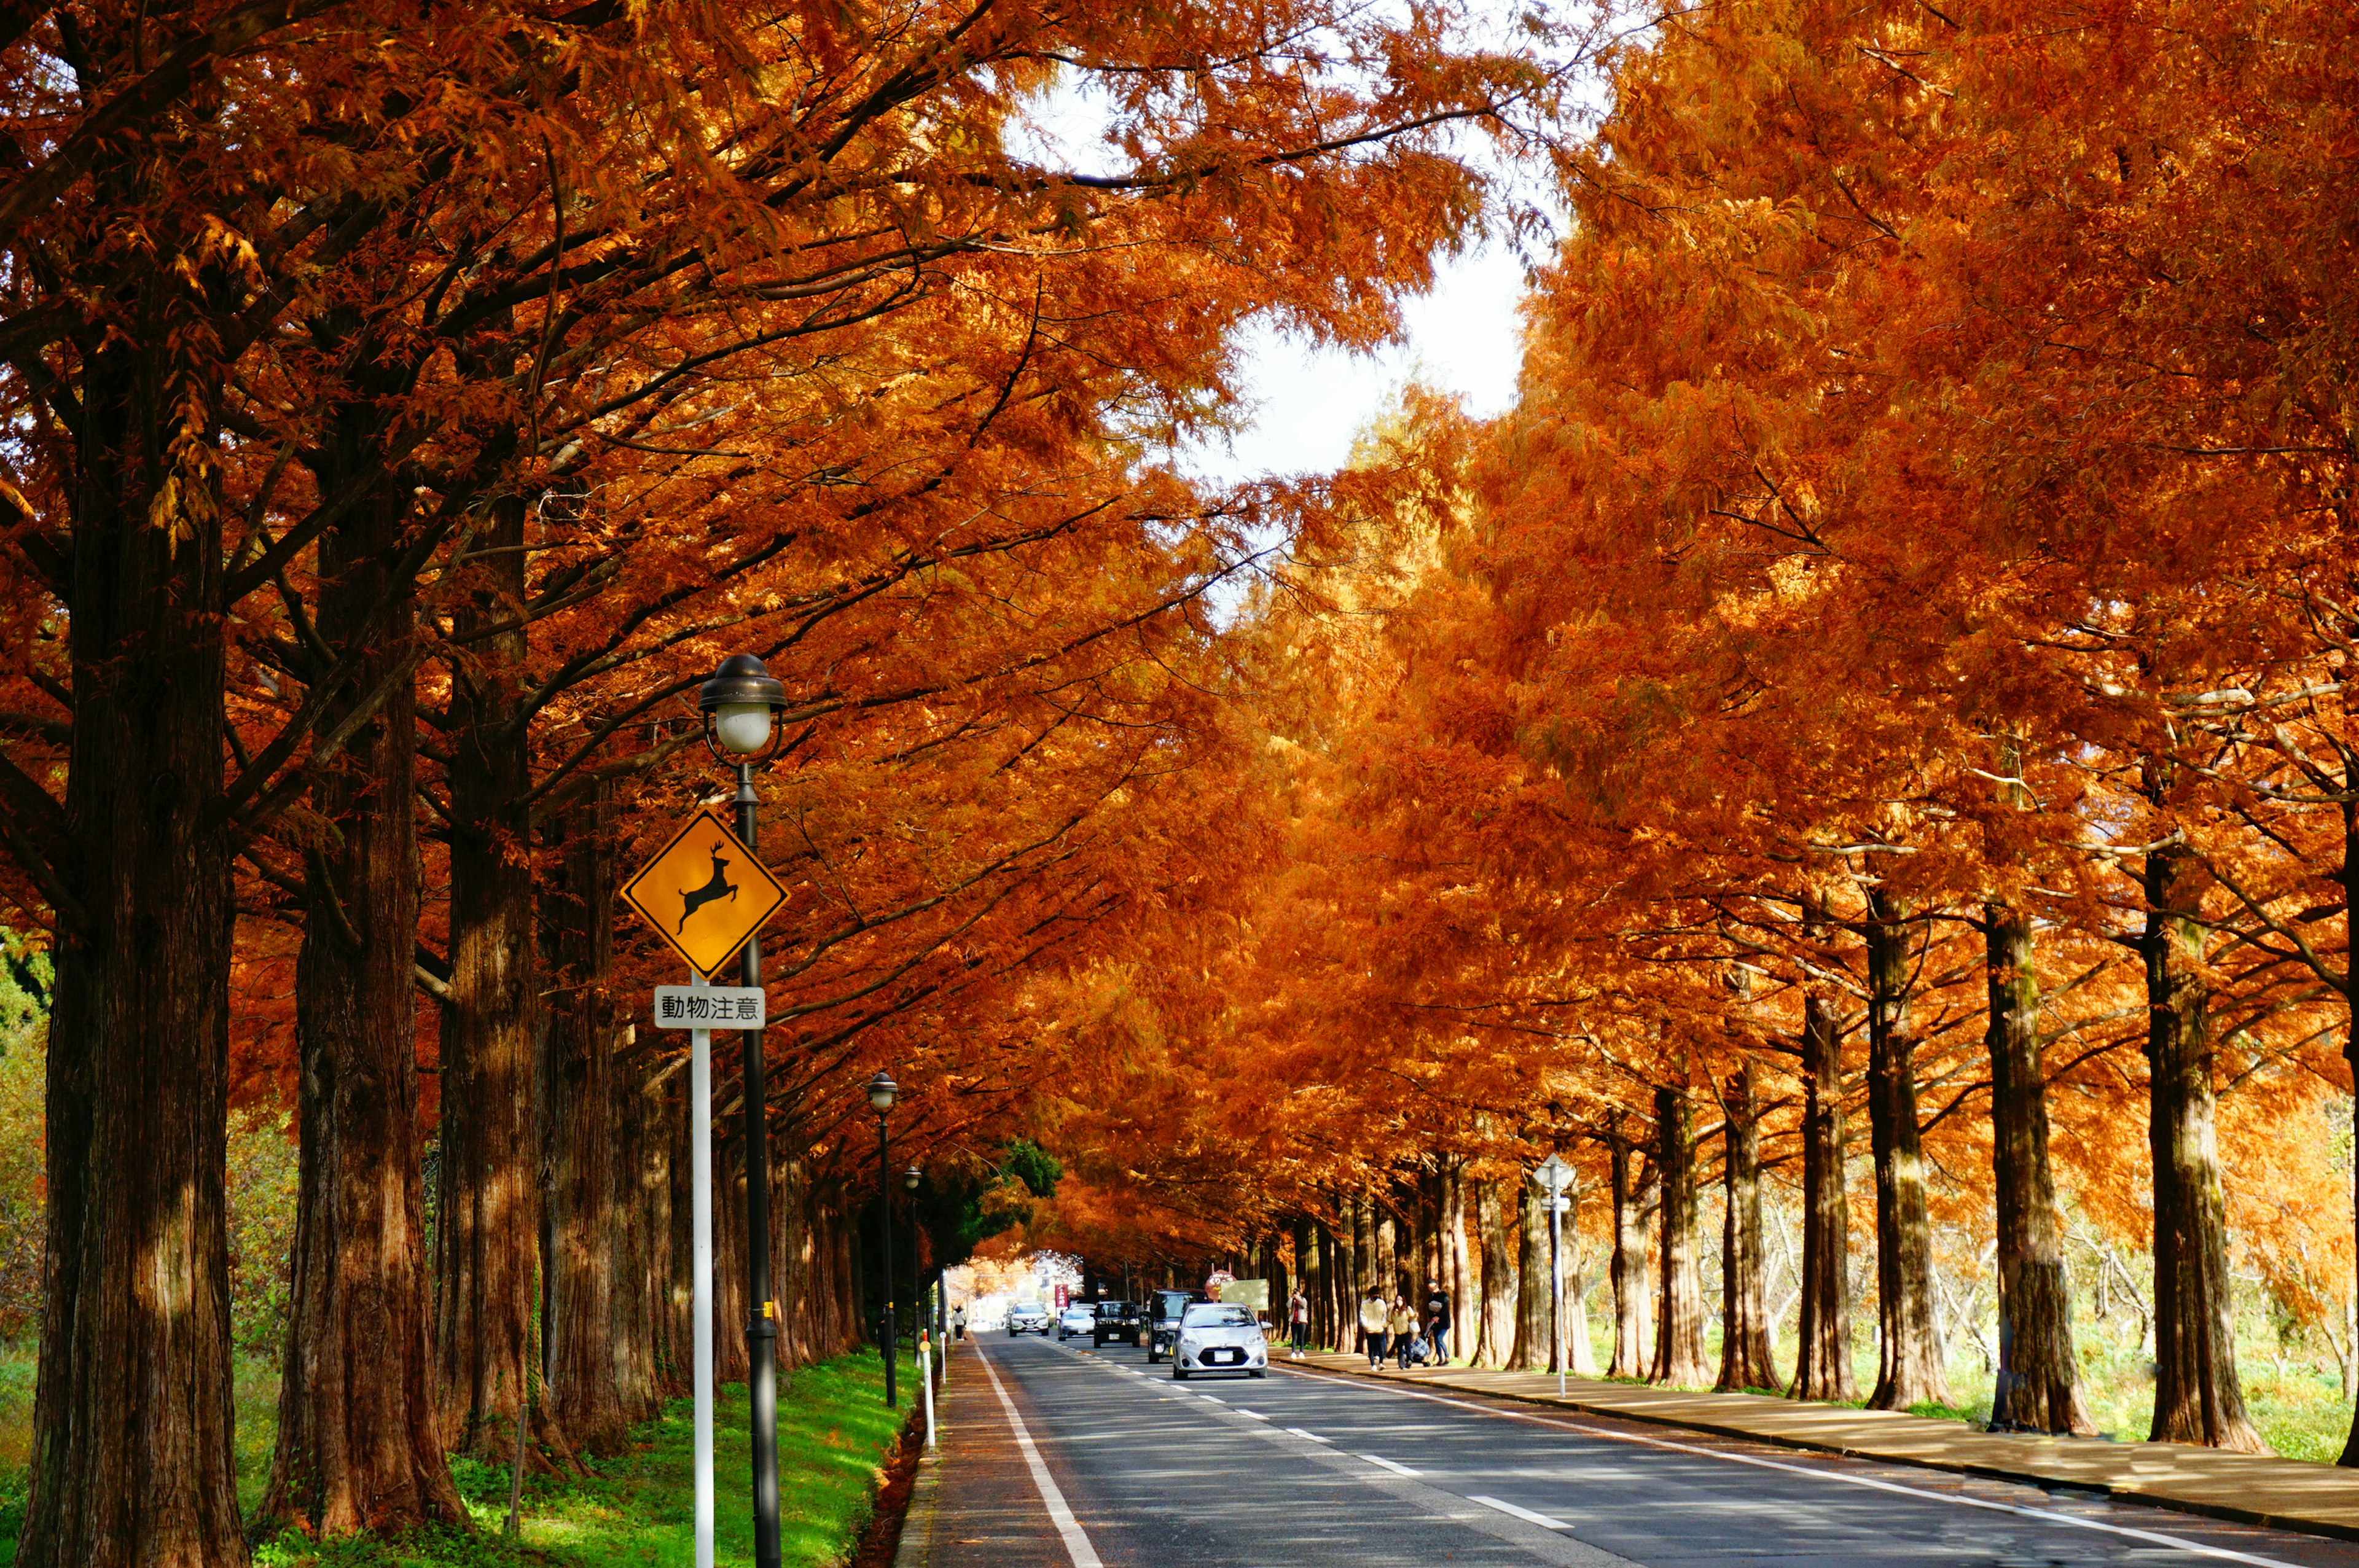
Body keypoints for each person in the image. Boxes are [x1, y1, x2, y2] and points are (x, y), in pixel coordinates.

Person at [1359, 1286, 1390, 1369]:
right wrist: (1366, 1325)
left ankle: (1381, 1363)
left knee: (1381, 1347)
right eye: (1374, 1295)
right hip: (1369, 1329)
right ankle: (1373, 1364)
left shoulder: (1381, 1303)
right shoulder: (1364, 1304)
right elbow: (1363, 1315)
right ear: (1370, 1295)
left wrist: (1383, 1324)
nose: (1376, 1297)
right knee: (1371, 1347)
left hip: (1379, 1328)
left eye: (1377, 1295)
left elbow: (1385, 1314)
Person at [1423, 1280, 1451, 1365]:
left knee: (1439, 1338)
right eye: (1429, 1288)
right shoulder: (1431, 1297)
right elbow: (1429, 1309)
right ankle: (1441, 1359)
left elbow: (1445, 1308)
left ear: (1436, 1285)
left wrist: (1438, 1316)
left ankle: (1447, 1356)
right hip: (1435, 1323)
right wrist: (1433, 1318)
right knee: (1436, 1340)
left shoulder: (1444, 1295)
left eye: (1432, 1287)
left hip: (1444, 1322)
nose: (1431, 1289)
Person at [1388, 1293, 1418, 1369]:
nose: (1399, 1301)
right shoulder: (1393, 1310)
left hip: (1407, 1331)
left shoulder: (1407, 1309)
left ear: (1403, 1300)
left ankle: (1409, 1360)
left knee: (1408, 1346)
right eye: (1397, 1300)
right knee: (1400, 1348)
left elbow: (1412, 1318)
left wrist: (1415, 1316)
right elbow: (1389, 1320)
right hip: (1398, 1332)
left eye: (1400, 1300)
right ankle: (1401, 1363)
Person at [1289, 1288, 1310, 1359]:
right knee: (1294, 1337)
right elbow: (1288, 1306)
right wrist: (1292, 1298)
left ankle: (1301, 1351)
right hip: (1294, 1321)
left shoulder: (1303, 1299)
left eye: (1297, 1292)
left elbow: (1304, 1305)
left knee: (1301, 1337)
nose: (1296, 1294)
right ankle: (1293, 1352)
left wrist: (1298, 1298)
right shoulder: (1293, 1300)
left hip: (1302, 1321)